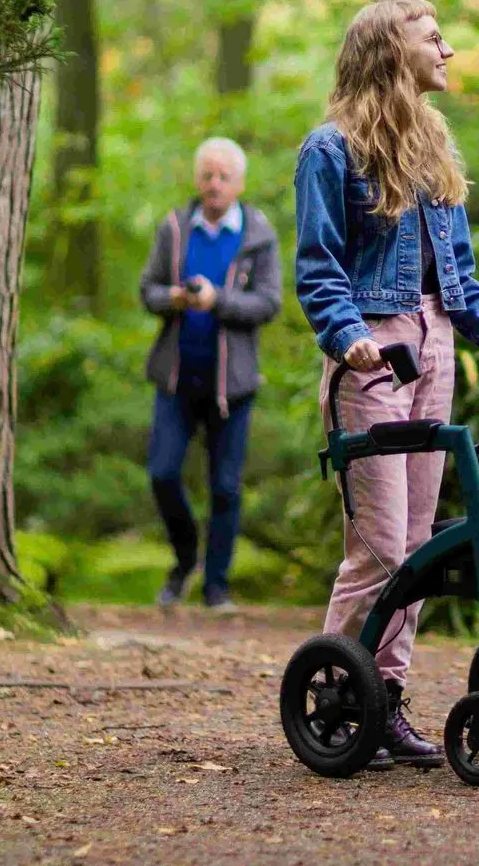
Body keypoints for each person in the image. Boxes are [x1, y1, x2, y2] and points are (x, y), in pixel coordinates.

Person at [295, 0, 479, 769]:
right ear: (386, 51)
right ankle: (340, 701)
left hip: (435, 345)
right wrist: (352, 339)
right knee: (376, 549)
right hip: (375, 349)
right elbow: (318, 267)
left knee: (416, 548)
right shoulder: (330, 151)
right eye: (433, 38)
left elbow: (459, 281)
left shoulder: (434, 145)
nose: (449, 50)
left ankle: (387, 700)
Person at [139, 137, 283, 612]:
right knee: (162, 474)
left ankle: (216, 587)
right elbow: (148, 291)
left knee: (225, 487)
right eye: (207, 175)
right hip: (177, 378)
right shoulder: (175, 228)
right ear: (197, 180)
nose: (214, 184)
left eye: (223, 176)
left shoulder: (258, 234)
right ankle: (185, 561)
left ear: (239, 183)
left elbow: (268, 302)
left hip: (233, 385)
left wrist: (217, 301)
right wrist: (177, 299)